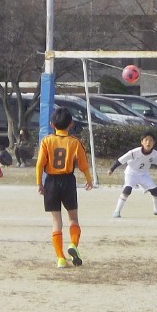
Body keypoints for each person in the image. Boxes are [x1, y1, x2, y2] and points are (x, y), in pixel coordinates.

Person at [37, 107, 93, 268]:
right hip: (68, 181)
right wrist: (89, 180)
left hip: (51, 182)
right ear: (71, 124)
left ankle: (60, 258)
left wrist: (39, 183)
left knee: (56, 221)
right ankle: (73, 244)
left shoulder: (46, 141)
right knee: (73, 218)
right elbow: (83, 165)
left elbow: (39, 164)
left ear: (51, 124)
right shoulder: (75, 142)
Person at [109, 131, 157, 218]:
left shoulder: (155, 154)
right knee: (127, 190)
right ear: (142, 142)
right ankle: (117, 211)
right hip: (131, 173)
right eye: (146, 140)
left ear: (154, 143)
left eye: (151, 140)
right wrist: (111, 169)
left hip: (144, 174)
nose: (148, 142)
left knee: (156, 192)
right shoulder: (134, 152)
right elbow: (121, 160)